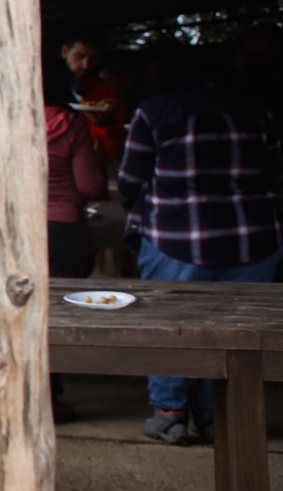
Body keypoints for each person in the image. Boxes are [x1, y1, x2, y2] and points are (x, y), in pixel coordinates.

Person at [119, 47, 283, 444]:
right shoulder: (256, 112)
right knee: (232, 333)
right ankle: (218, 415)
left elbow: (129, 179)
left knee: (168, 324)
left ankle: (171, 413)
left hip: (177, 239)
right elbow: (275, 174)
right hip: (252, 240)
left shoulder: (153, 111)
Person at [43, 55, 109, 278]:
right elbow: (89, 186)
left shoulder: (8, 123)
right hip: (63, 230)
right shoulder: (73, 126)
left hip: (14, 227)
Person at [61, 33, 126, 169]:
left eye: (92, 59)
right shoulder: (45, 87)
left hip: (95, 165)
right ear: (65, 52)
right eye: (79, 57)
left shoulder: (108, 91)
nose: (86, 65)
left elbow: (114, 148)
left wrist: (102, 123)